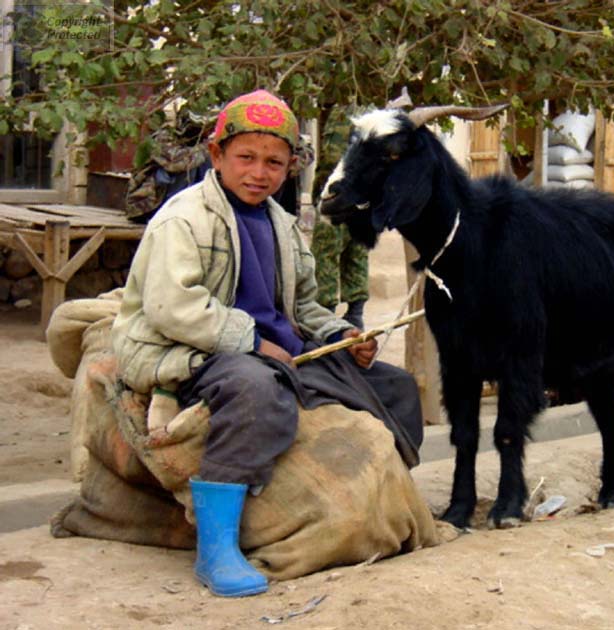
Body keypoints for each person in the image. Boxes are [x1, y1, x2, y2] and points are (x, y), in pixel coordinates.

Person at [111, 90, 423, 598]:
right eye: (246, 158)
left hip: (278, 351)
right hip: (191, 349)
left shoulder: (281, 224)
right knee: (257, 391)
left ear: (289, 167)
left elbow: (302, 308)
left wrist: (339, 335)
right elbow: (173, 307)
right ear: (217, 156)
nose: (260, 172)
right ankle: (217, 549)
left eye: (274, 162)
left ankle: (389, 496)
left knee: (395, 386)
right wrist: (251, 341)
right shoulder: (183, 217)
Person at [310, 106, 369, 329]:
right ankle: (356, 313)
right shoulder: (377, 111)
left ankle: (325, 315)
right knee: (357, 251)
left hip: (338, 195)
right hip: (364, 197)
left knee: (325, 253)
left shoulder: (344, 112)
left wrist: (319, 195)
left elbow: (330, 159)